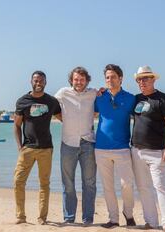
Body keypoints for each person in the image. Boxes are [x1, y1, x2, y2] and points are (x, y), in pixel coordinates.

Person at [131, 65, 165, 232]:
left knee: (160, 187)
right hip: (136, 150)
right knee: (143, 187)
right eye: (139, 79)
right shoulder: (135, 99)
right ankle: (150, 222)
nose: (142, 82)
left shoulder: (163, 99)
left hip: (157, 151)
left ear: (153, 79)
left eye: (145, 78)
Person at [13, 70, 61, 225]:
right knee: (18, 181)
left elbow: (64, 118)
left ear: (45, 82)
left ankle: (42, 218)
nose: (38, 83)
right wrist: (20, 146)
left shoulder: (52, 102)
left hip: (46, 148)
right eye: (35, 81)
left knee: (44, 184)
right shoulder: (22, 101)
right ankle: (20, 217)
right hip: (27, 148)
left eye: (41, 81)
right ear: (31, 82)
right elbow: (17, 125)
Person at [94, 64, 137, 229]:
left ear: (121, 78)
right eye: (107, 77)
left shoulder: (131, 98)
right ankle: (113, 218)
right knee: (107, 186)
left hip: (122, 147)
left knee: (127, 184)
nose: (109, 80)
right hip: (101, 148)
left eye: (113, 77)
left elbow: (141, 118)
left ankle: (129, 213)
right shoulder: (99, 97)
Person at [54, 67, 97, 225]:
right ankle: (69, 218)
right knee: (68, 183)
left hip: (88, 143)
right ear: (71, 80)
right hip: (68, 143)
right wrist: (64, 119)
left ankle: (88, 218)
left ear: (87, 80)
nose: (79, 82)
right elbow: (52, 107)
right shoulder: (63, 93)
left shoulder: (93, 93)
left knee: (89, 183)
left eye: (82, 79)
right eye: (76, 79)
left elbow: (100, 107)